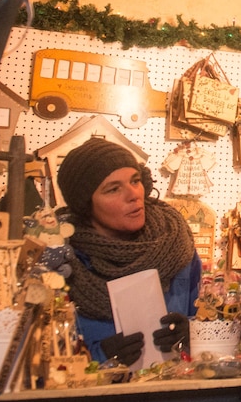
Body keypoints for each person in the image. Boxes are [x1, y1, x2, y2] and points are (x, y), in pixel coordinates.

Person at [57, 138, 202, 364]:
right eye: (113, 189)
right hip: (100, 396)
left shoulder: (175, 243)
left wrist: (194, 335)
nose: (133, 194)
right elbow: (48, 357)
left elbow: (206, 318)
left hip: (177, 391)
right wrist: (97, 356)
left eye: (135, 181)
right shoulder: (62, 262)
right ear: (86, 205)